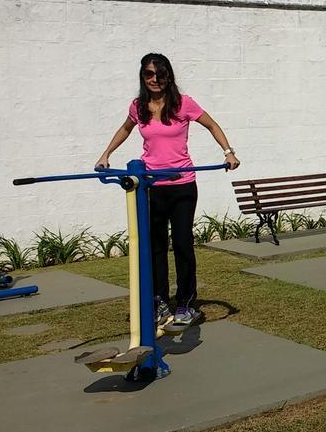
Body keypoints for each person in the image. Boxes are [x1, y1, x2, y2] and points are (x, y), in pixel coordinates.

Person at [96, 53, 240, 327]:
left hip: (183, 185)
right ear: (143, 76)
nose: (154, 80)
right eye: (149, 74)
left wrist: (228, 152)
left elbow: (211, 124)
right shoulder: (138, 106)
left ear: (168, 77)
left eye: (159, 75)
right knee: (156, 247)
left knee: (183, 244)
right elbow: (125, 129)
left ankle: (186, 303)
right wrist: (106, 154)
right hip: (152, 186)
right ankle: (160, 302)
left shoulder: (183, 103)